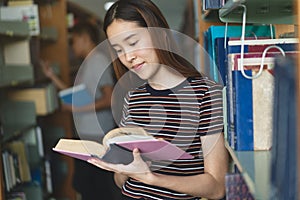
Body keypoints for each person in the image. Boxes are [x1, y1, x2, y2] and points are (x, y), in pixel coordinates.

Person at [87, 0, 229, 200]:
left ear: (160, 35)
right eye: (118, 49)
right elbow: (121, 181)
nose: (128, 57)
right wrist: (122, 168)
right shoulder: (133, 98)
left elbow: (216, 187)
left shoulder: (206, 94)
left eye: (133, 42)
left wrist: (151, 177)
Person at [41, 21, 121, 200]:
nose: (72, 46)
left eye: (74, 41)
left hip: (96, 138)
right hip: (88, 137)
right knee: (85, 185)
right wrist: (52, 77)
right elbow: (76, 95)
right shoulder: (89, 62)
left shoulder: (98, 60)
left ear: (85, 39)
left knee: (95, 187)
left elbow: (109, 98)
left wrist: (75, 108)